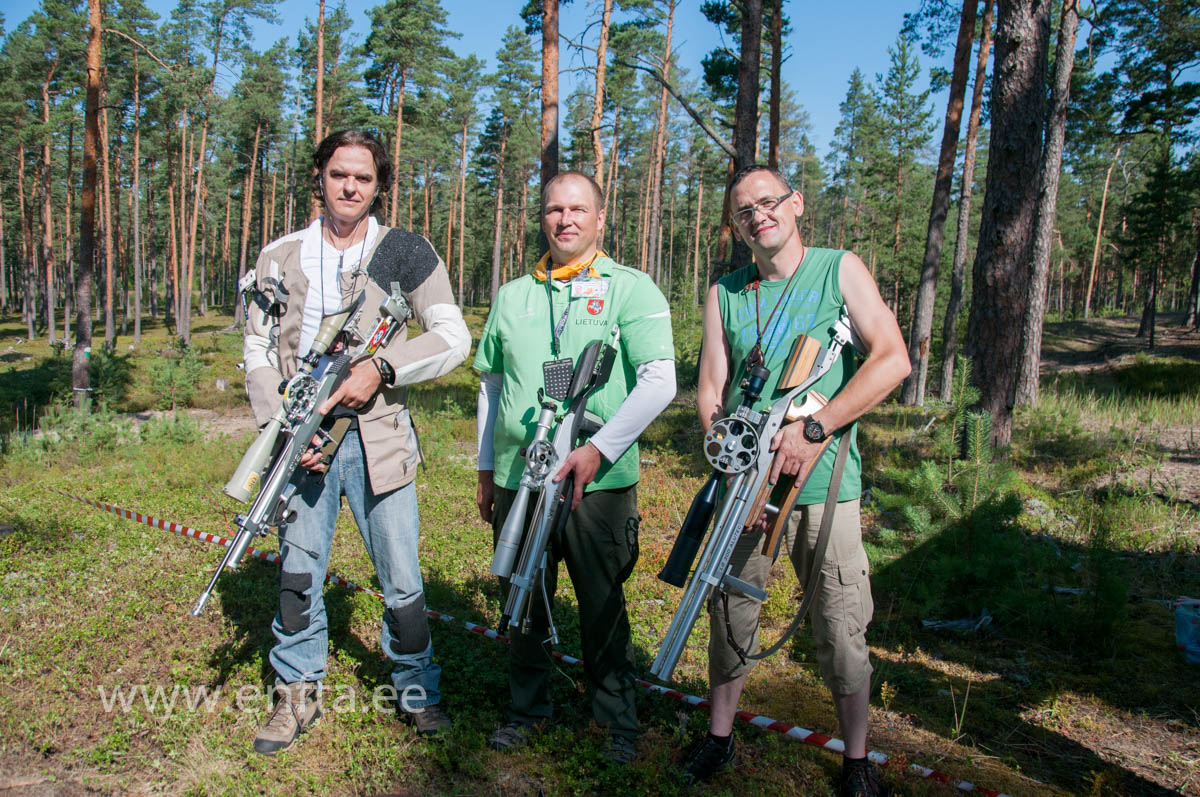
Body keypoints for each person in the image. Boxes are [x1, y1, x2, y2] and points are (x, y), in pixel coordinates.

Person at [679, 164, 910, 796]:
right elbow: (710, 389)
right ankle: (720, 737)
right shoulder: (727, 291)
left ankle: (856, 762)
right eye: (745, 211)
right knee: (730, 611)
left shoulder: (840, 270)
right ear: (736, 227)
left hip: (824, 485)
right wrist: (730, 460)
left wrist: (817, 429)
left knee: (839, 623)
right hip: (744, 489)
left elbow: (892, 359)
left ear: (796, 203)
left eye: (769, 202)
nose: (759, 216)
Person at [242, 129, 470, 755]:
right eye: (339, 173)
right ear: (319, 175)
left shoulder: (406, 251)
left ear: (379, 185)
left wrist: (383, 368)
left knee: (401, 577)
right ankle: (296, 693)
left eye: (363, 178)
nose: (350, 187)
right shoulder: (279, 255)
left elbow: (453, 337)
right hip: (300, 443)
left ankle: (417, 690)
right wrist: (280, 427)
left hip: (380, 442)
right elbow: (257, 348)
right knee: (298, 570)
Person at [474, 171, 676, 765]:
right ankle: (526, 710)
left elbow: (659, 381)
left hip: (598, 481)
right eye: (554, 210)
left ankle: (616, 719)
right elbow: (491, 383)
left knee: (601, 598)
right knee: (523, 594)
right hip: (521, 474)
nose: (565, 220)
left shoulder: (629, 288)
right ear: (543, 218)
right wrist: (487, 468)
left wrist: (599, 449)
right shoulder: (514, 294)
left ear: (599, 217)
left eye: (577, 209)